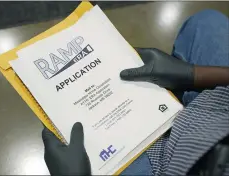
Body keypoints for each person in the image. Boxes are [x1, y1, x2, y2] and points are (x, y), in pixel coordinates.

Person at [42, 9, 229, 176]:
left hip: (169, 166)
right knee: (206, 23)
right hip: (219, 111)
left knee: (63, 127)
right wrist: (193, 74)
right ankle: (175, 99)